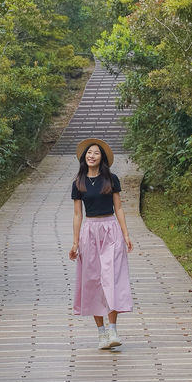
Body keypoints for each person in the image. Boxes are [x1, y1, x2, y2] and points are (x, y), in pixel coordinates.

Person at [69, 138, 133, 350]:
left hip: (110, 230)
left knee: (113, 277)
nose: (92, 156)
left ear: (102, 158)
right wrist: (75, 242)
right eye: (89, 153)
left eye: (96, 153)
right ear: (84, 157)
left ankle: (113, 329)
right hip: (90, 232)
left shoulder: (111, 179)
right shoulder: (78, 182)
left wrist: (125, 234)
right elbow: (78, 214)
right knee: (93, 280)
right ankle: (101, 333)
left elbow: (119, 208)